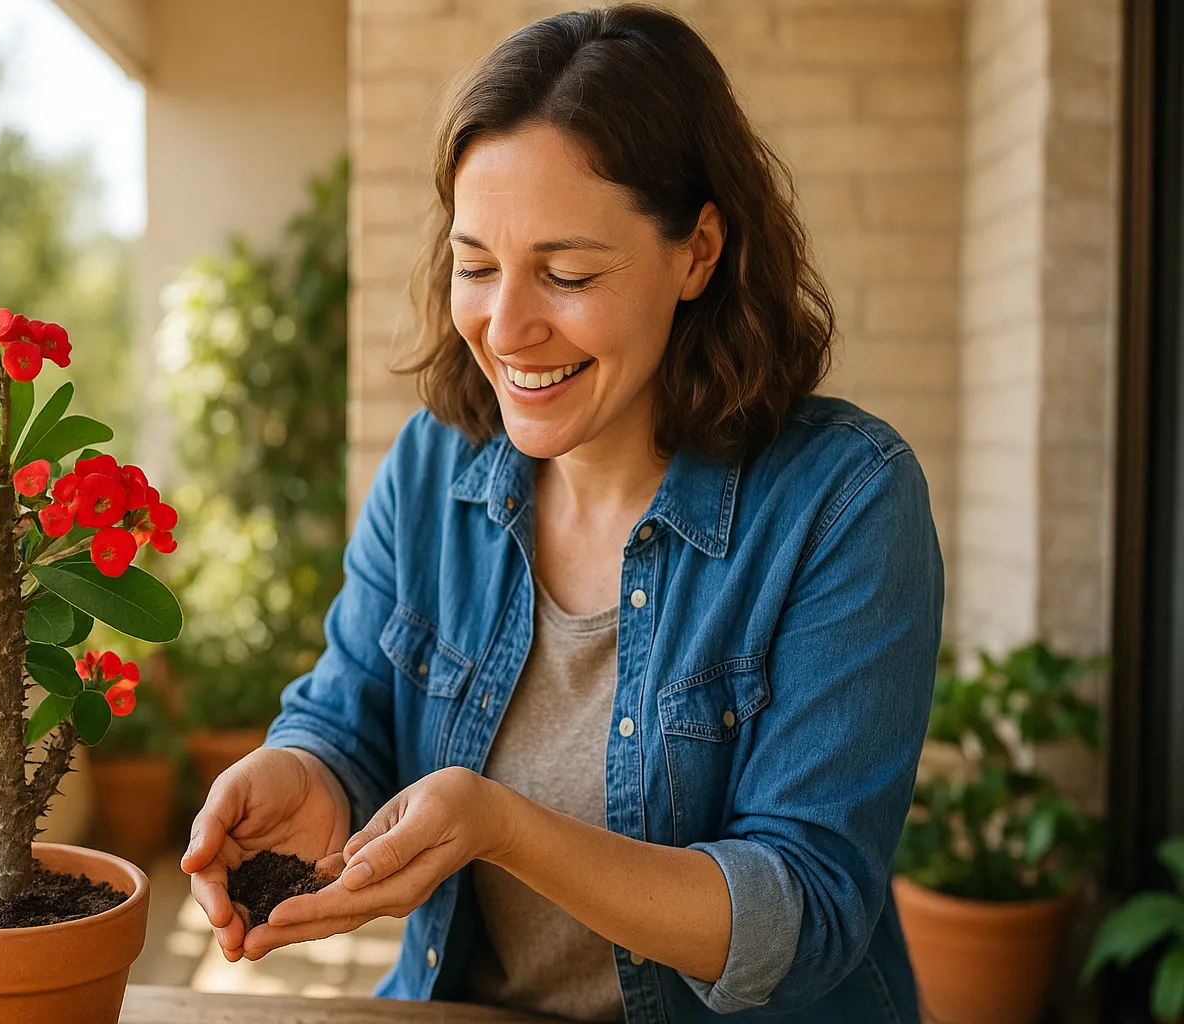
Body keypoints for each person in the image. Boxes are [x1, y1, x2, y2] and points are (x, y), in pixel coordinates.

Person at [181, 5, 943, 1021]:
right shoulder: (432, 465)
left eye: (568, 273)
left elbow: (808, 910)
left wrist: (503, 825)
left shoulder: (846, 500)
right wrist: (305, 766)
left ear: (698, 252)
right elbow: (350, 706)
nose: (507, 327)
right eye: (478, 264)